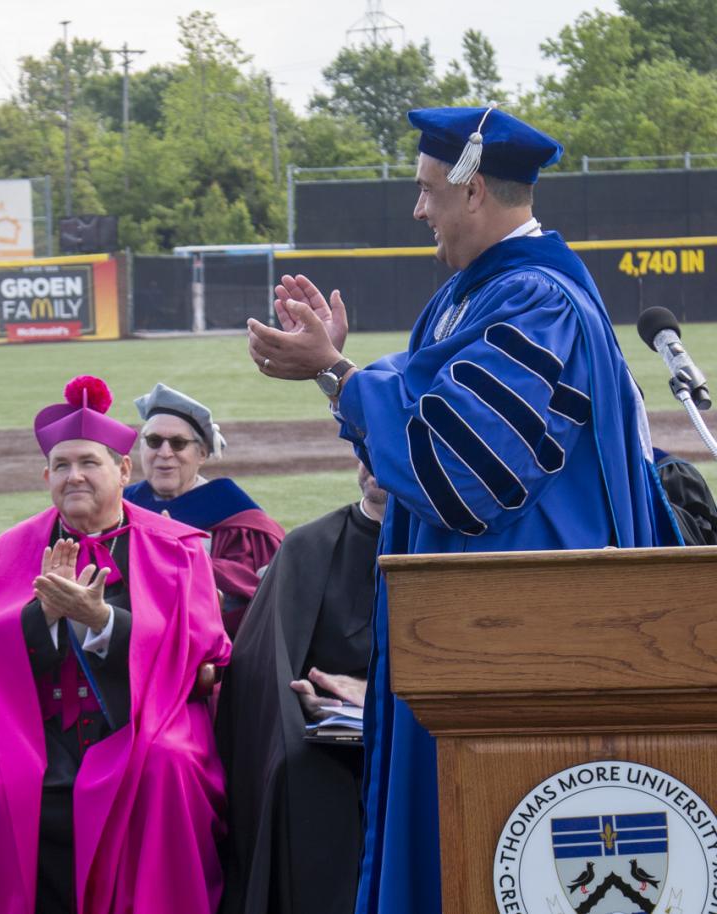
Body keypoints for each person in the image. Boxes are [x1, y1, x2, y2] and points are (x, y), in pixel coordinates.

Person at [245, 106, 681, 914]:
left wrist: (339, 370)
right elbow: (412, 457)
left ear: (473, 188)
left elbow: (460, 471)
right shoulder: (472, 298)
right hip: (470, 638)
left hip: (525, 640)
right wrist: (334, 373)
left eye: (425, 191)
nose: (418, 211)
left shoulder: (533, 301)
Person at [0, 375, 231, 914]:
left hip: (141, 728)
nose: (74, 476)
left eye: (88, 463)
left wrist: (104, 622)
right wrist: (43, 619)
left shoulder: (179, 550)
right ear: (46, 476)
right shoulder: (4, 554)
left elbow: (202, 655)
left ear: (124, 470)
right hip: (32, 732)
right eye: (61, 466)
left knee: (167, 771)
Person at [216, 462, 383, 914]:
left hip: (423, 721)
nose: (373, 463)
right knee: (298, 768)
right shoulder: (310, 545)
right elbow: (262, 661)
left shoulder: (450, 543)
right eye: (363, 448)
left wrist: (380, 696)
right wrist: (310, 703)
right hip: (323, 726)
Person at [123, 383, 284, 635]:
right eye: (153, 441)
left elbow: (261, 599)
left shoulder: (236, 514)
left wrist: (189, 560)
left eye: (178, 443)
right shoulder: (121, 506)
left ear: (201, 454)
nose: (164, 453)